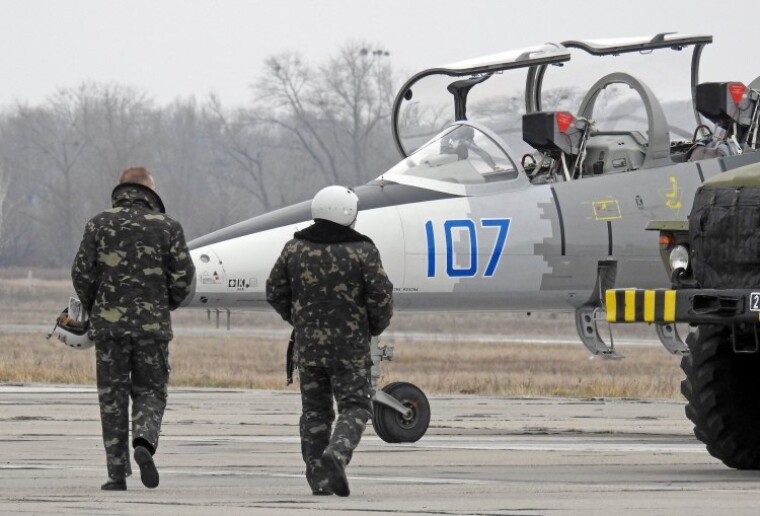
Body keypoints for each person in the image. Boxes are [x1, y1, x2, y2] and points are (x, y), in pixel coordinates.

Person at [71, 166, 195, 491]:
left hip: (109, 330)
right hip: (152, 329)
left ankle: (116, 474)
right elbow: (184, 278)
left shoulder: (98, 224)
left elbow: (81, 273)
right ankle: (144, 441)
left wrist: (97, 305)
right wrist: (163, 304)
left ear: (121, 190)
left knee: (112, 398)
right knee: (150, 391)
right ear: (149, 192)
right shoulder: (168, 228)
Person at [266, 185, 393, 497]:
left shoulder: (294, 249)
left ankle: (318, 478)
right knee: (356, 406)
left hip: (309, 349)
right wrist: (371, 329)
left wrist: (300, 321)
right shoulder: (363, 251)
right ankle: (335, 456)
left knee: (315, 413)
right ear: (348, 213)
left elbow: (275, 291)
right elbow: (381, 297)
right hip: (350, 350)